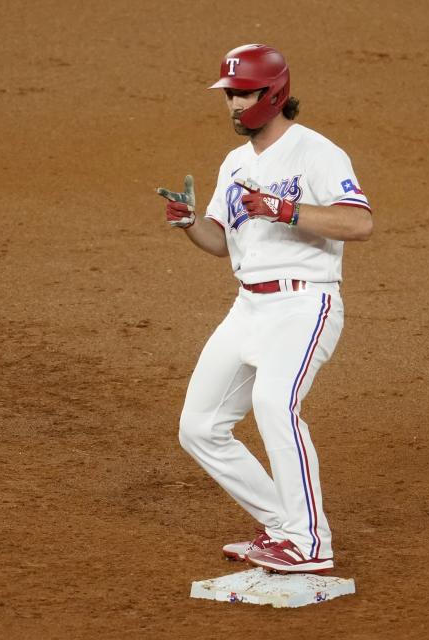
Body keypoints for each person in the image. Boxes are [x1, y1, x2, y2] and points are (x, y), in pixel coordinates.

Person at [156, 43, 373, 574]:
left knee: (276, 405)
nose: (233, 104)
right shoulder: (234, 163)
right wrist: (189, 224)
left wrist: (288, 209)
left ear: (273, 93)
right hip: (247, 308)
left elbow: (359, 223)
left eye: (243, 93)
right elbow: (221, 242)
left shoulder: (316, 153)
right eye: (229, 95)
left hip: (304, 305)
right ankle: (283, 524)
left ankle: (309, 542)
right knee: (200, 427)